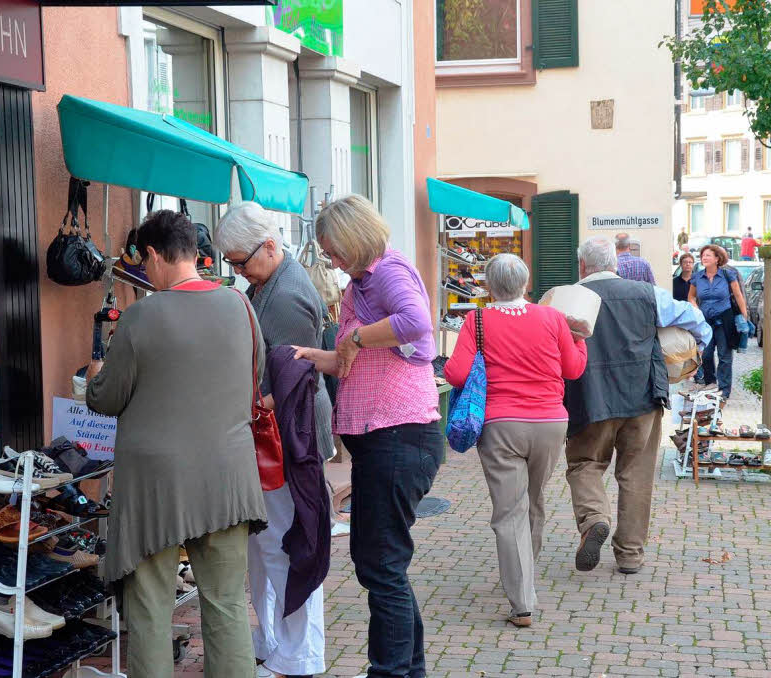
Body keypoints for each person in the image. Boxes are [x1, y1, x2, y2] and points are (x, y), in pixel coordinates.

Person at [86, 210, 267, 678]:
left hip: (155, 485)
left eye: (143, 263)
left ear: (151, 254)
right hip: (227, 476)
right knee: (226, 603)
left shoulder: (142, 315)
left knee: (149, 608)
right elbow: (254, 379)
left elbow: (107, 399)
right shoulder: (241, 306)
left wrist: (94, 379)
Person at [293, 195, 441, 678]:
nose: (332, 262)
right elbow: (352, 363)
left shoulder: (389, 273)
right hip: (386, 441)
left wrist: (354, 337)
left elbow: (416, 322)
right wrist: (313, 355)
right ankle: (404, 668)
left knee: (380, 565)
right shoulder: (364, 282)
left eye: (334, 251)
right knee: (382, 563)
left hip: (398, 436)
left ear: (355, 240)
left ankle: (392, 671)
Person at [214, 202, 332, 678]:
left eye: (240, 262)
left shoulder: (283, 297)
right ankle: (274, 642)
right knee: (269, 547)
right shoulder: (272, 280)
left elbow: (275, 384)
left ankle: (296, 655)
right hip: (280, 435)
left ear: (268, 246)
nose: (237, 272)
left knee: (286, 545)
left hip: (286, 438)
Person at [443, 254, 587, 628]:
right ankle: (525, 573)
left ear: (489, 286)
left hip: (500, 425)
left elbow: (456, 374)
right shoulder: (553, 318)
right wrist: (581, 341)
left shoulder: (475, 320)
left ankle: (522, 600)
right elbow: (572, 369)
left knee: (509, 511)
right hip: (551, 423)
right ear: (526, 284)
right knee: (533, 501)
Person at [564, 237, 710, 575]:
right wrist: (691, 352)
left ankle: (594, 518)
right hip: (644, 396)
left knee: (585, 464)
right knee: (637, 475)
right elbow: (697, 321)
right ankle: (630, 554)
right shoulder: (648, 294)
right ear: (615, 264)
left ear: (583, 266)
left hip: (590, 398)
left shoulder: (568, 299)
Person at [687, 244, 749, 400]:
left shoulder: (728, 275)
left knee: (724, 356)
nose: (704, 258)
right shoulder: (697, 277)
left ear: (717, 259)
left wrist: (744, 316)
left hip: (724, 319)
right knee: (706, 355)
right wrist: (696, 309)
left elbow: (738, 295)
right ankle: (711, 383)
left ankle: (724, 389)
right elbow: (691, 297)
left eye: (708, 255)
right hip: (705, 321)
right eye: (703, 256)